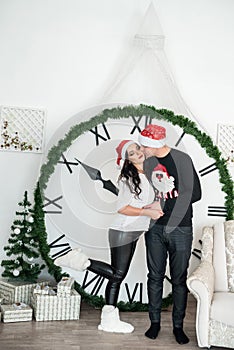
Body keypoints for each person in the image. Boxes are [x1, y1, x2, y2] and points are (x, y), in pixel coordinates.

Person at [54, 139, 163, 333]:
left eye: (137, 148)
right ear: (127, 159)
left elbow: (139, 203)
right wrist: (148, 213)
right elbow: (122, 208)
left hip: (133, 230)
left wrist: (152, 207)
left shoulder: (144, 174)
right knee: (118, 274)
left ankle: (109, 320)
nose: (137, 152)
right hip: (123, 230)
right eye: (131, 153)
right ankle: (80, 260)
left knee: (115, 278)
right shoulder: (127, 178)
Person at [138, 124, 202, 345]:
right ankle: (154, 323)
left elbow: (195, 193)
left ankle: (178, 326)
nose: (142, 148)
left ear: (154, 144)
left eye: (144, 145)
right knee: (154, 276)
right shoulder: (148, 163)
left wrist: (164, 203)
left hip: (181, 228)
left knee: (179, 280)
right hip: (155, 228)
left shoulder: (182, 160)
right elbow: (147, 190)